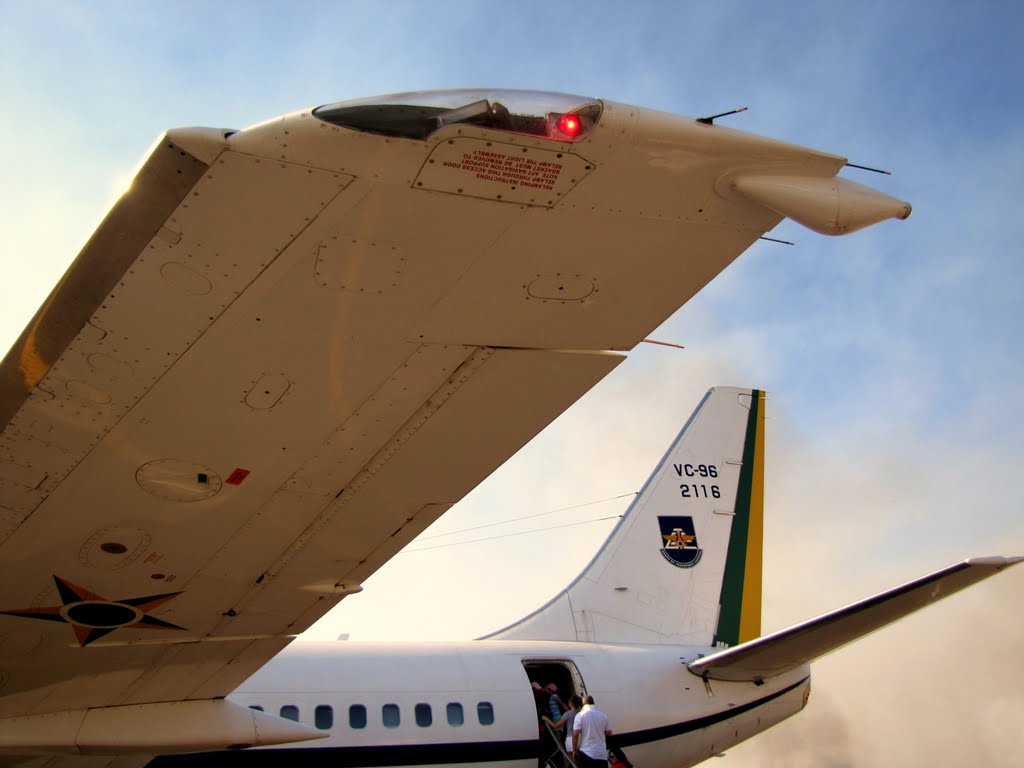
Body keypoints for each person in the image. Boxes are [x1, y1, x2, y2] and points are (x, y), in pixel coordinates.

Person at [572, 695, 611, 768]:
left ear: (583, 704)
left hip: (586, 753)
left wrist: (574, 750)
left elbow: (575, 734)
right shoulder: (603, 715)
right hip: (602, 755)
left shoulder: (580, 715)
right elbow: (609, 734)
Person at [543, 694, 581, 768]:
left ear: (570, 703)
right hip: (581, 738)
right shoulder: (581, 713)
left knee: (570, 760)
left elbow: (555, 725)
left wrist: (546, 719)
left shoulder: (567, 714)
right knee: (577, 760)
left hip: (571, 739)